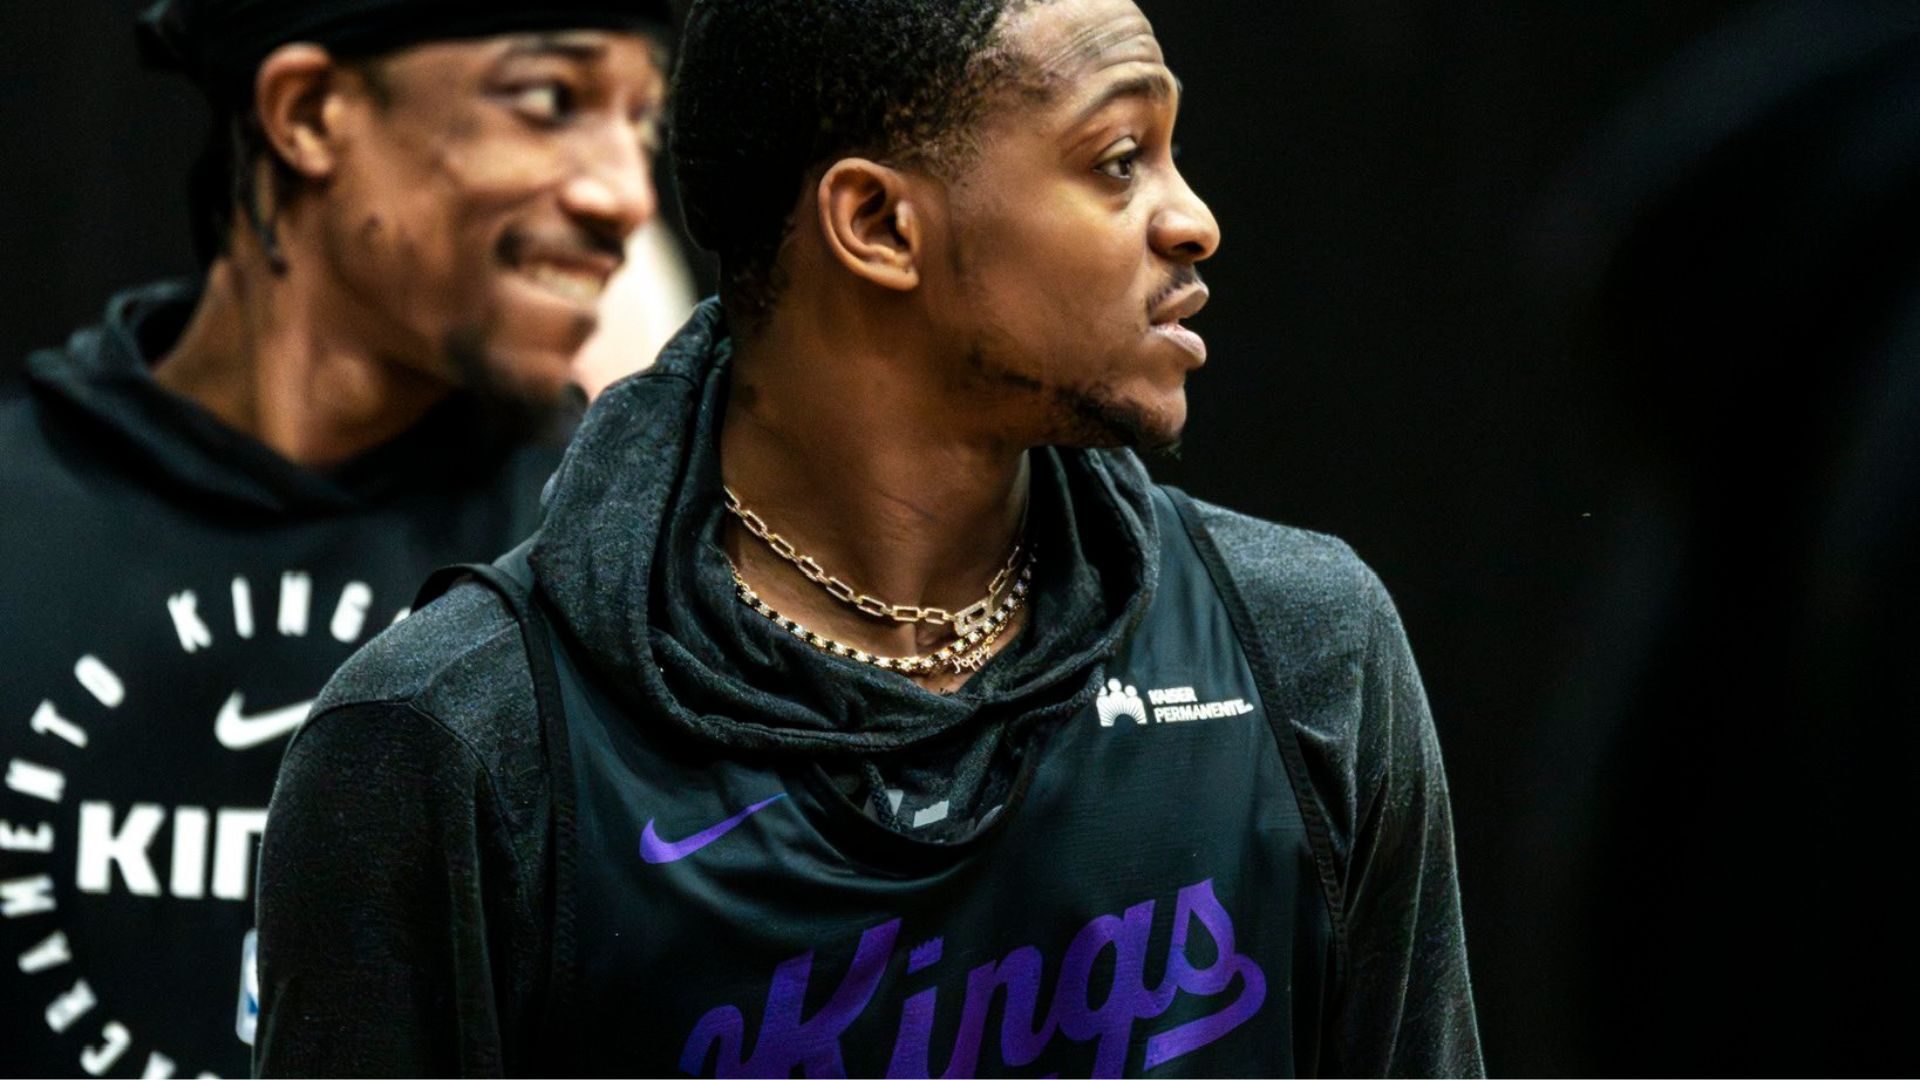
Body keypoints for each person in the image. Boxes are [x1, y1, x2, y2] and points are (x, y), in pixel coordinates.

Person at [257, 0, 1484, 1075]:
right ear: (879, 224)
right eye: (1119, 160)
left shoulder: (1305, 650)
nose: (1193, 220)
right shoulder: (450, 742)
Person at [0, 1, 672, 1076]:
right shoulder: (22, 519)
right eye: (552, 101)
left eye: (642, 124)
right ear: (310, 114)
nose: (626, 195)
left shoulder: (621, 563)